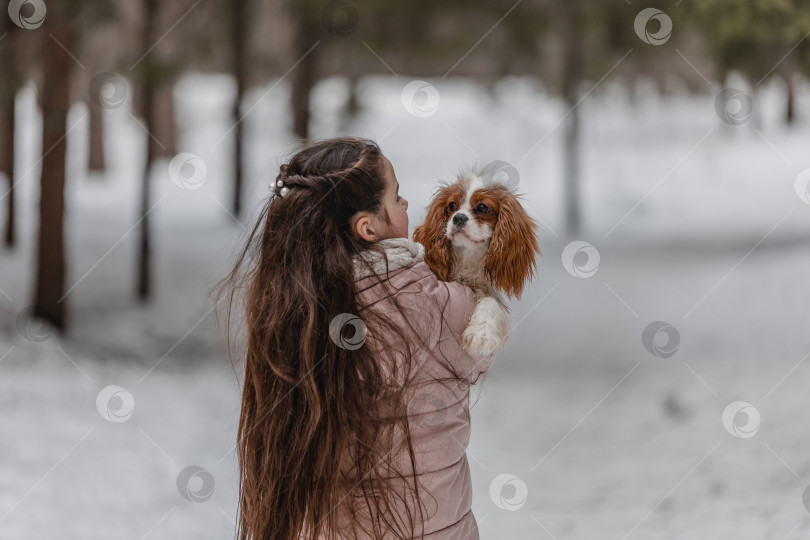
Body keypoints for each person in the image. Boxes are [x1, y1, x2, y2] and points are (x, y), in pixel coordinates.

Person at [213, 136, 496, 540]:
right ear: (368, 227)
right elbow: (481, 340)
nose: (407, 207)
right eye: (397, 199)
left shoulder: (294, 308)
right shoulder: (437, 303)